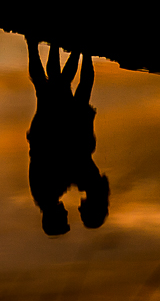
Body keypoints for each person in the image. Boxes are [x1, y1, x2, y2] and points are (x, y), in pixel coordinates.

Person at [25, 39, 109, 235]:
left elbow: (56, 163)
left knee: (56, 85)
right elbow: (66, 166)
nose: (70, 212)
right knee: (52, 85)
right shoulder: (47, 194)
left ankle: (77, 50)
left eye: (64, 218)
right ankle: (71, 49)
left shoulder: (47, 193)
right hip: (60, 136)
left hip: (59, 136)